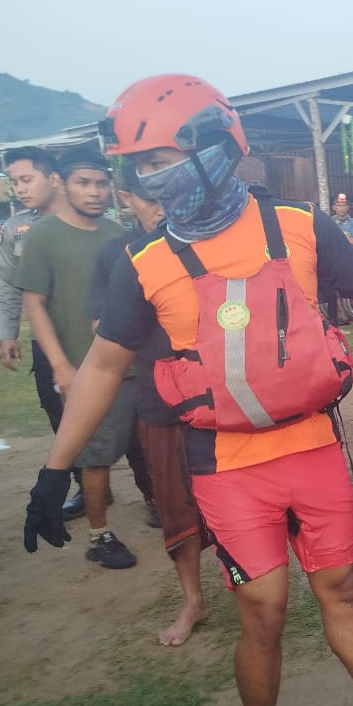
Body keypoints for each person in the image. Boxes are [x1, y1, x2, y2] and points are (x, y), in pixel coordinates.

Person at [21, 73, 353, 706]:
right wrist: (51, 469)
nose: (150, 177)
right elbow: (103, 364)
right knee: (263, 609)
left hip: (314, 448)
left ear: (222, 147)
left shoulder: (300, 226)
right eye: (141, 163)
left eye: (165, 157)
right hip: (226, 466)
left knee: (342, 590)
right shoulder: (143, 263)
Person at [86, 167, 207, 645]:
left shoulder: (210, 244)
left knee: (237, 511)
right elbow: (105, 330)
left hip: (223, 401)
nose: (163, 208)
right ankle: (193, 599)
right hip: (160, 401)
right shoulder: (120, 256)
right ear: (128, 199)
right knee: (177, 509)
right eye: (150, 198)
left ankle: (244, 586)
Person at [16, 148, 138, 569]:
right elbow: (34, 304)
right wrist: (62, 365)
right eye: (84, 183)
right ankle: (100, 535)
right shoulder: (43, 235)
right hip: (86, 367)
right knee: (95, 453)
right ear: (62, 185)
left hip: (135, 361)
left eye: (102, 183)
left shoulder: (118, 233)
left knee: (147, 446)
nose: (94, 192)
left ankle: (167, 510)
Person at [0, 148, 67, 375]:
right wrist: (7, 333)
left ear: (54, 179)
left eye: (26, 180)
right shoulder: (14, 228)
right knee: (55, 405)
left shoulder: (85, 220)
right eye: (15, 182)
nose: (20, 189)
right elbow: (8, 281)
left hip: (92, 334)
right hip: (43, 338)